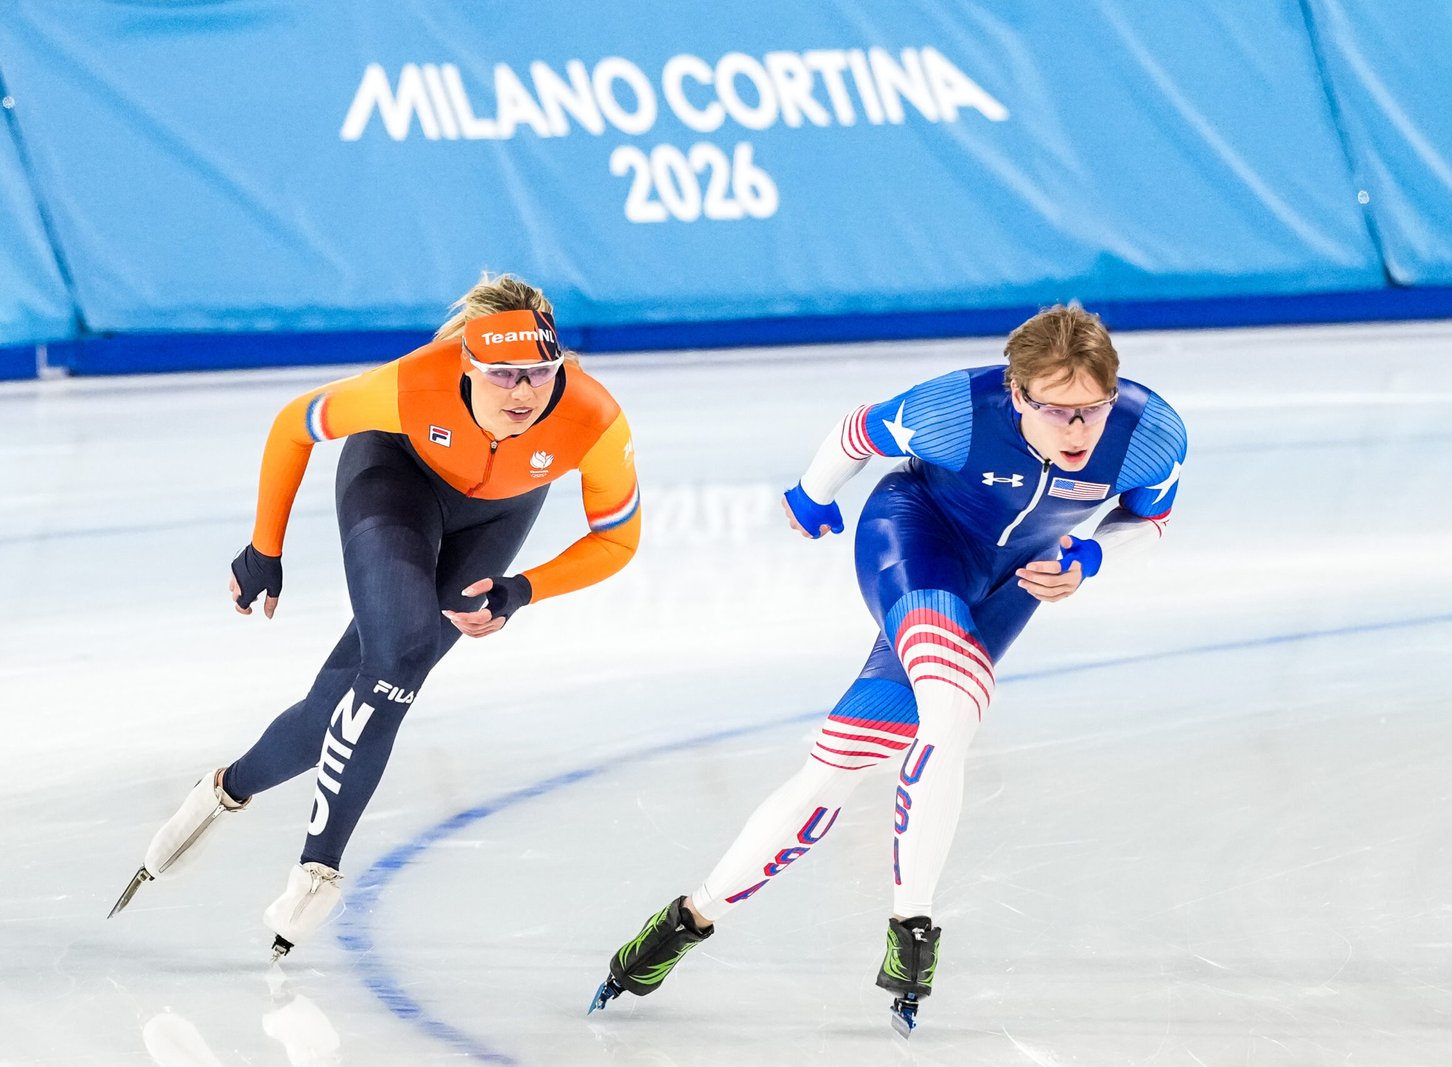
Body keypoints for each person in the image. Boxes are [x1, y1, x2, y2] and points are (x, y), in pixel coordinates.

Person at [593, 304, 1186, 1032]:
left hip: (1011, 586)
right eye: (1055, 410)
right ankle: (913, 926)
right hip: (914, 539)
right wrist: (812, 496)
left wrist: (1091, 556)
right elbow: (858, 431)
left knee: (834, 769)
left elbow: (1149, 516)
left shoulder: (1148, 431)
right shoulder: (959, 411)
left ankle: (680, 923)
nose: (1077, 430)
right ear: (1015, 391)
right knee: (951, 707)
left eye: (1090, 410)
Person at [108, 274, 641, 959]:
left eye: (538, 373)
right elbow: (293, 424)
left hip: (499, 514)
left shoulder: (593, 417)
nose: (524, 392)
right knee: (402, 655)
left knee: (344, 698)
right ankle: (317, 869)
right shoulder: (411, 384)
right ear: (467, 367)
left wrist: (523, 589)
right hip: (394, 482)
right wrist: (264, 548)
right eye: (503, 375)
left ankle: (223, 790)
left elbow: (618, 538)